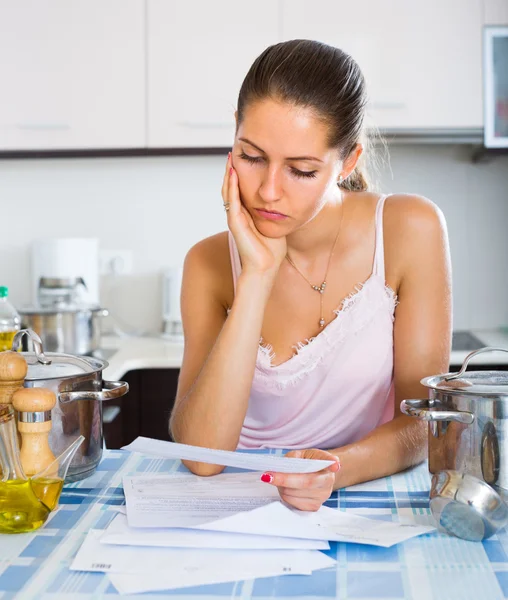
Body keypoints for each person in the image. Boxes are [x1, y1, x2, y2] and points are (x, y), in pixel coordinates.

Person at [169, 39, 452, 512]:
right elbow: (201, 458)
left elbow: (427, 421)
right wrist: (257, 275)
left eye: (301, 170)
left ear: (348, 163)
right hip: (230, 505)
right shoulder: (206, 263)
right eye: (251, 156)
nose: (268, 191)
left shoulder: (409, 229)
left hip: (356, 494)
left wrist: (334, 469)